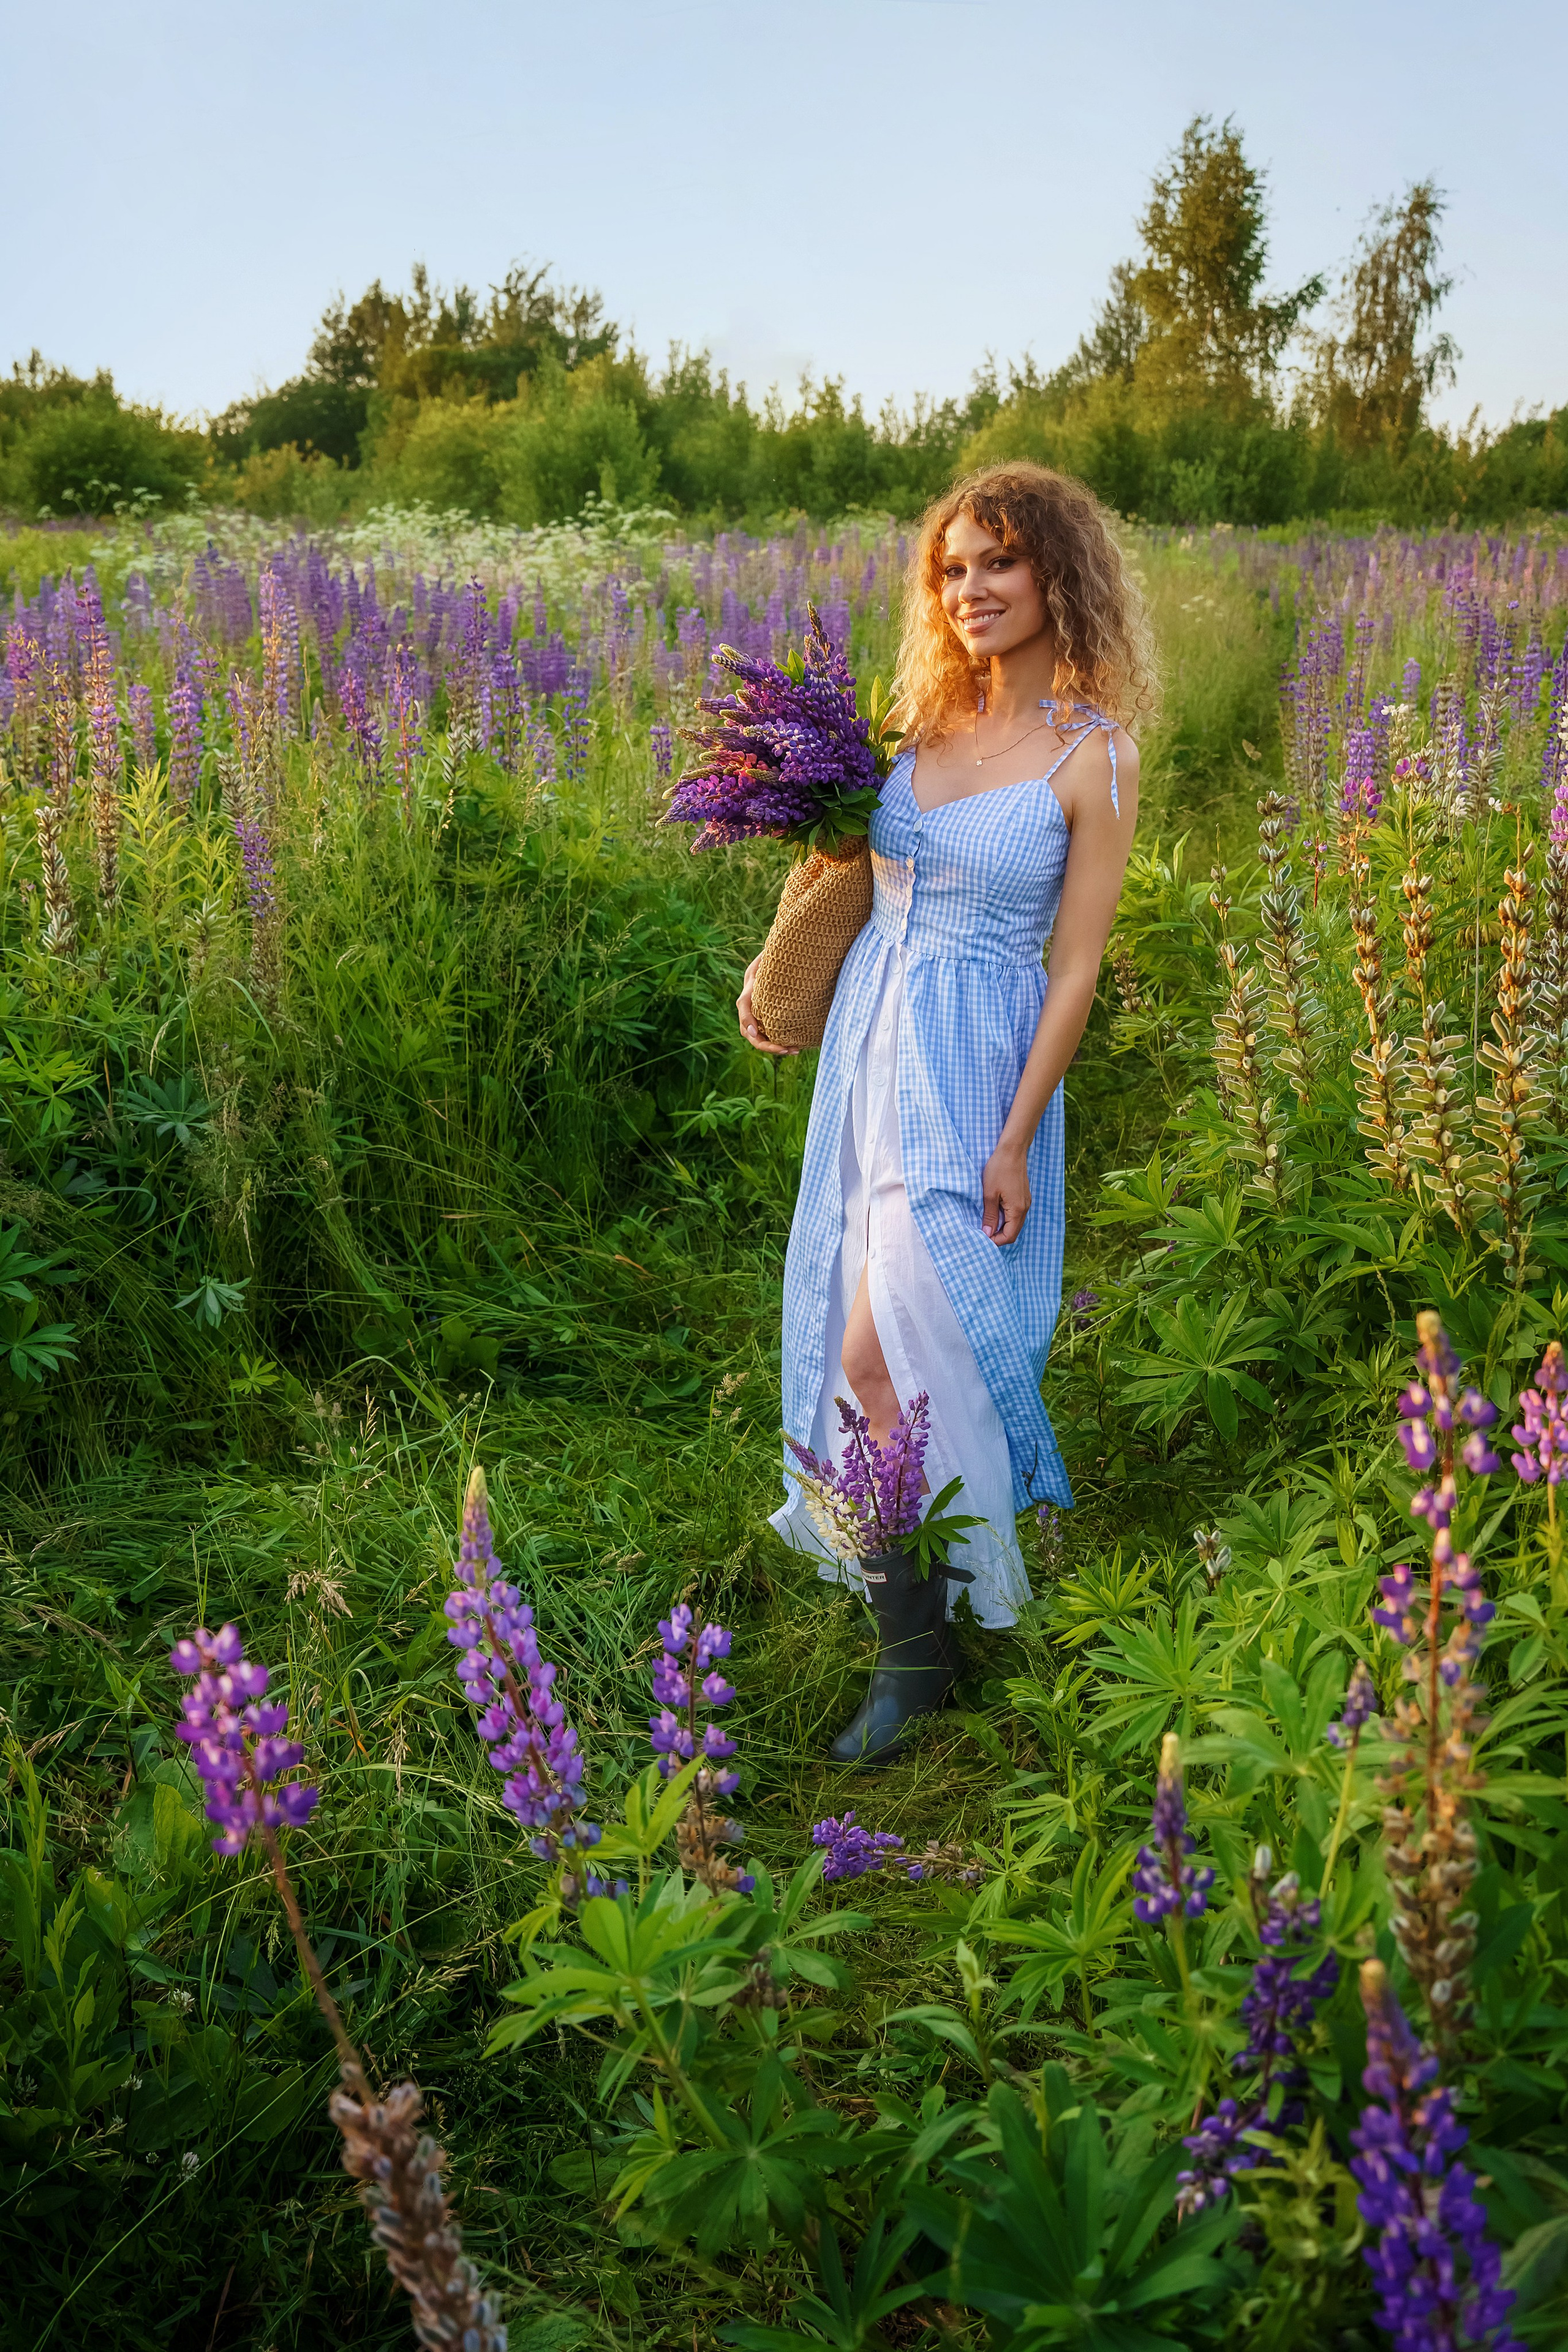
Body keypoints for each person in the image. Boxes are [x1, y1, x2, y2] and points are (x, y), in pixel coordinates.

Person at [737, 461, 1153, 1762]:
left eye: (999, 563)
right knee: (857, 1339)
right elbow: (845, 882)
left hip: (977, 1072)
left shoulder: (1091, 756)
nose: (970, 588)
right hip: (868, 1053)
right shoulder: (912, 727)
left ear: (1056, 577)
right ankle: (913, 1646)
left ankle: (929, 1639)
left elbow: (1074, 965)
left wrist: (1019, 1132)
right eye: (951, 568)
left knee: (899, 1342)